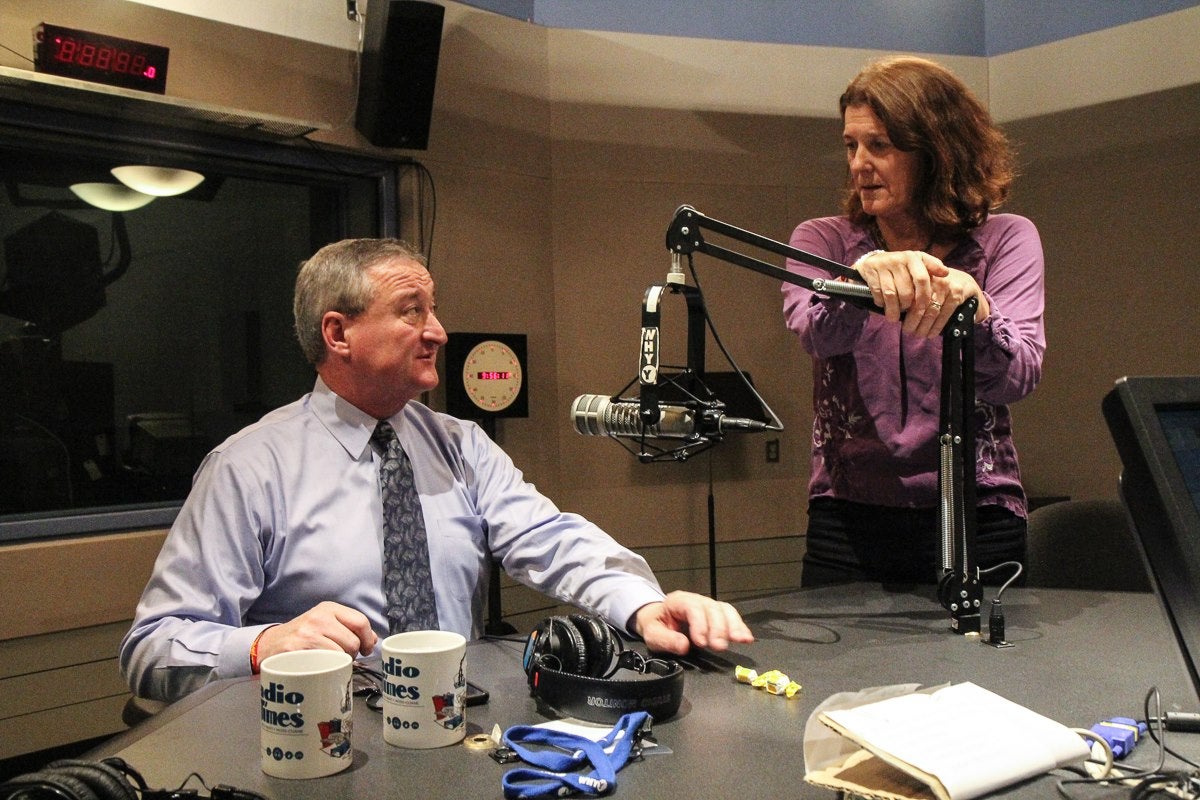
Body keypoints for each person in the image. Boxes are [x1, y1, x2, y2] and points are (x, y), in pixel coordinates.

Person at [121, 238, 753, 703]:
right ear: (338, 333)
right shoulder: (247, 469)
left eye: (434, 309)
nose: (439, 332)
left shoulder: (459, 445)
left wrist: (642, 606)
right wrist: (263, 647)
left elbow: (550, 539)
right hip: (322, 744)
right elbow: (152, 647)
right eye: (411, 310)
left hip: (458, 724)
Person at [781, 55, 1045, 587]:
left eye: (879, 145)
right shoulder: (822, 239)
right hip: (848, 518)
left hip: (978, 513)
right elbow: (816, 332)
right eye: (850, 145)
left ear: (936, 152)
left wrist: (979, 310)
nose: (858, 164)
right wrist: (860, 282)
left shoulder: (1007, 238)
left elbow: (1016, 377)